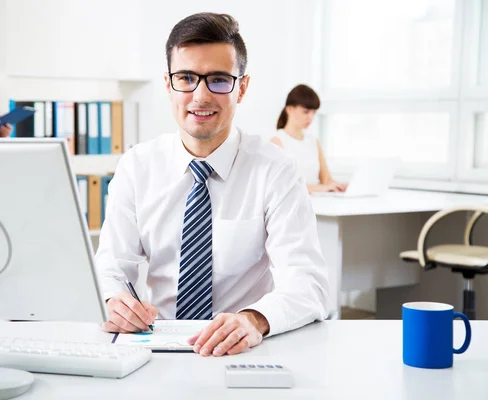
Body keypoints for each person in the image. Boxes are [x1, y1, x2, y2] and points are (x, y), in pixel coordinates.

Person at [95, 12, 329, 357]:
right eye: (186, 77)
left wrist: (254, 319)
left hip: (244, 347)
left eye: (219, 80)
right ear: (168, 84)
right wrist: (115, 299)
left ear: (242, 87)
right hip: (154, 346)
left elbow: (308, 285)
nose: (201, 96)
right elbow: (111, 266)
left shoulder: (276, 170)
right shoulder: (136, 166)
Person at [271, 84, 346, 193]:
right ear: (290, 109)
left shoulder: (313, 142)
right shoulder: (277, 142)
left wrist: (339, 187)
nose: (310, 117)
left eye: (313, 112)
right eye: (306, 112)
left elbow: (327, 180)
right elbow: (282, 187)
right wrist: (320, 188)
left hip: (320, 202)